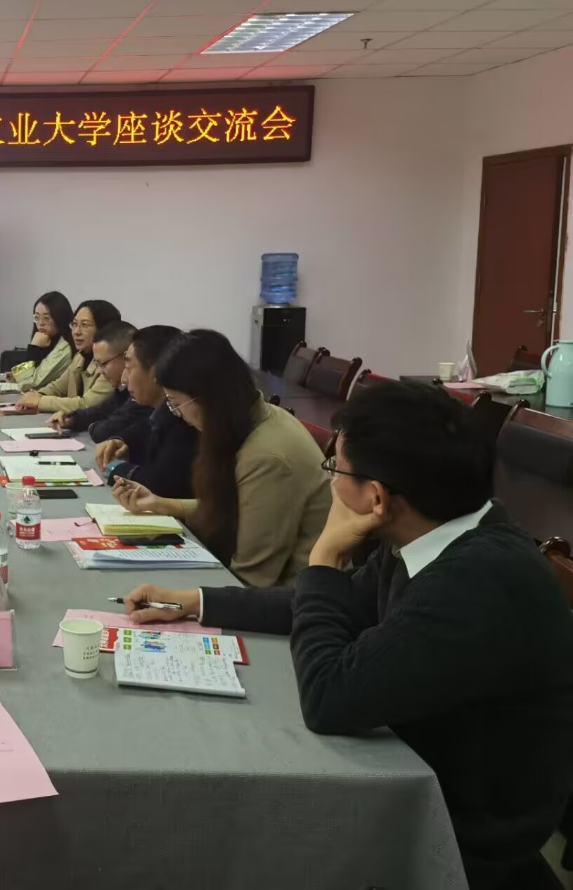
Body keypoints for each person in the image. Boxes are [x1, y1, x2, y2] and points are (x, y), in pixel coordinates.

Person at [122, 382, 573, 890]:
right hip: (415, 770)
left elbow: (329, 698)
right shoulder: (435, 530)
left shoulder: (476, 580)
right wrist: (197, 601)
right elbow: (341, 603)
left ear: (376, 497)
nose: (329, 479)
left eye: (334, 468)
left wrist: (324, 558)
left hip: (452, 837)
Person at [114, 329, 328, 587]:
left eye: (175, 403)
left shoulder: (267, 458)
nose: (177, 414)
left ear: (207, 398)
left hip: (292, 597)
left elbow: (252, 577)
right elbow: (237, 507)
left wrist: (183, 598)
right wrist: (160, 504)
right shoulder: (249, 419)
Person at [94, 324, 198, 499]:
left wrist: (116, 468)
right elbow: (145, 428)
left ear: (157, 371)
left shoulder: (186, 417)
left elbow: (161, 484)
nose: (124, 378)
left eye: (129, 368)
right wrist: (121, 441)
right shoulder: (161, 410)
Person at [17, 300, 124, 414]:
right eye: (74, 324)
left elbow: (86, 404)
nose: (76, 332)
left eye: (84, 325)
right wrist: (36, 395)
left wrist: (39, 401)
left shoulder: (109, 364)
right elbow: (57, 387)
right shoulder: (80, 357)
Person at [45, 320, 139, 435]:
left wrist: (94, 426)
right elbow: (100, 412)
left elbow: (105, 430)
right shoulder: (122, 389)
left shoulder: (140, 395)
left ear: (126, 358)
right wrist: (72, 419)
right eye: (96, 364)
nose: (100, 370)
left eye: (103, 364)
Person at [10, 292, 75, 390]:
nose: (40, 323)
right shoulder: (46, 340)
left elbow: (30, 384)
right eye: (37, 317)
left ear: (60, 319)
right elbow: (23, 374)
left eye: (46, 318)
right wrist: (16, 375)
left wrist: (34, 348)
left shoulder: (65, 347)